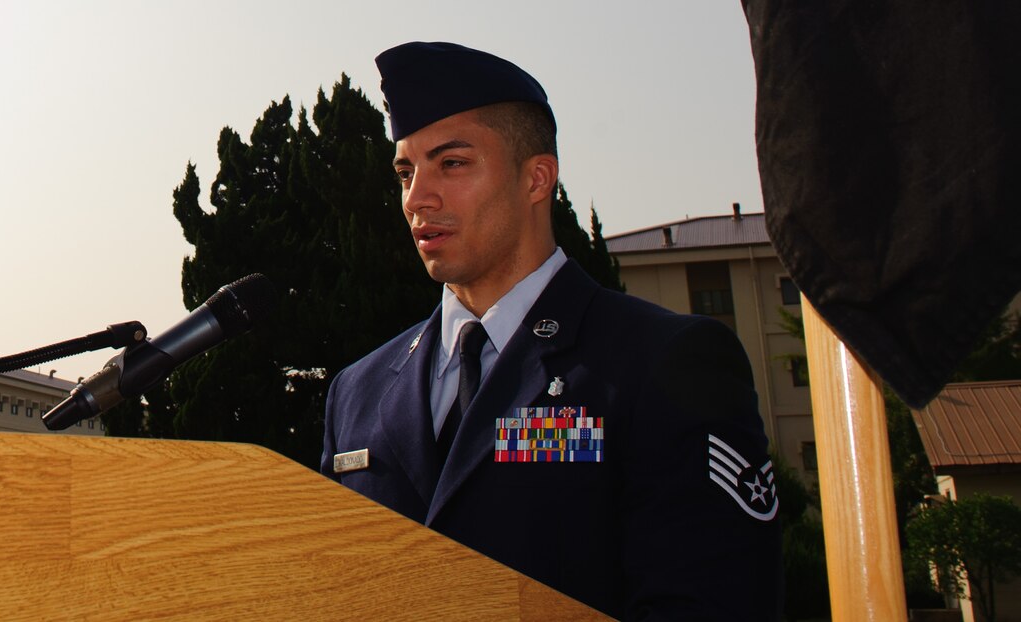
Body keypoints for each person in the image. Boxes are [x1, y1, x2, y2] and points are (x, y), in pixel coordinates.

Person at [320, 41, 781, 620]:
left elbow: (714, 600)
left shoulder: (660, 361)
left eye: (452, 164)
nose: (417, 198)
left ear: (537, 179)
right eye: (405, 173)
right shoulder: (357, 392)